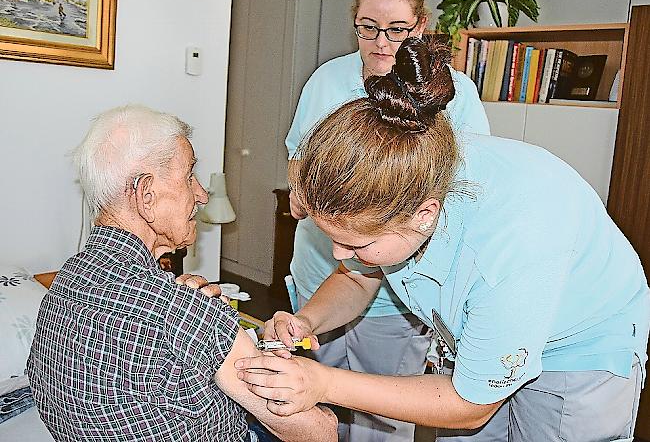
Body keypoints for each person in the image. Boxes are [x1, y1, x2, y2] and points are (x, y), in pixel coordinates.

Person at [235, 37, 650, 441]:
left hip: (578, 350)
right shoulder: (404, 184)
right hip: (492, 320)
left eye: (356, 245)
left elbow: (470, 406)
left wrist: (323, 384)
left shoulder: (507, 247)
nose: (340, 255)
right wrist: (308, 320)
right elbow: (358, 277)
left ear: (424, 215)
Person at [27, 105, 337, 442]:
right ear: (146, 195)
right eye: (189, 175)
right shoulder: (186, 313)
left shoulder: (67, 279)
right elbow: (317, 433)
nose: (202, 194)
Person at [284, 0, 489, 441]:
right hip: (322, 279)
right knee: (315, 413)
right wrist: (300, 188)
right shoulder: (326, 81)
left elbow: (463, 193)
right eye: (368, 28)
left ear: (421, 27)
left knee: (381, 422)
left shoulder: (455, 96)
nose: (380, 42)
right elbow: (298, 156)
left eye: (396, 30)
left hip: (397, 292)